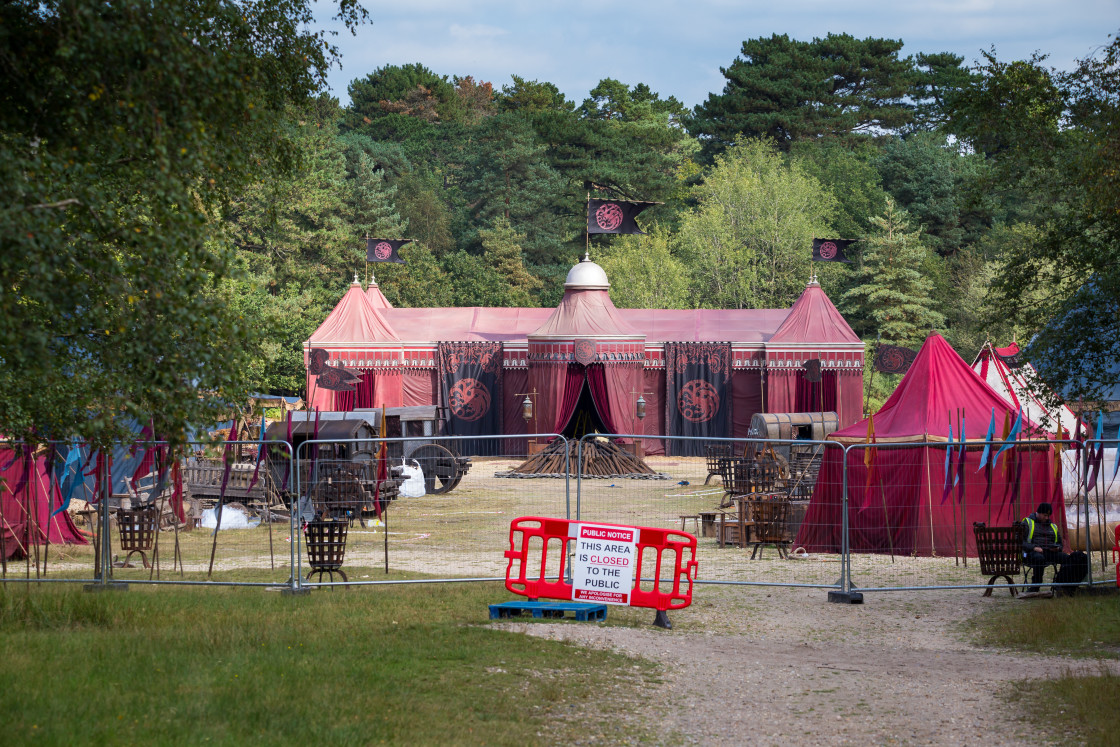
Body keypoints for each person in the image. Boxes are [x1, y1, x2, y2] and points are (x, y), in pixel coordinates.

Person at [1021, 502, 1068, 593]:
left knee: (1067, 558)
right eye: (1045, 515)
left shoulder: (1053, 526)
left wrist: (1057, 548)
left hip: (1050, 552)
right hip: (1032, 553)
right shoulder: (1027, 523)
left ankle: (1061, 584)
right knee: (1039, 559)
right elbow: (1020, 541)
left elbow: (1060, 544)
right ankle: (1035, 587)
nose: (1047, 518)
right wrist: (1034, 547)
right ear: (1038, 513)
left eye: (1048, 516)